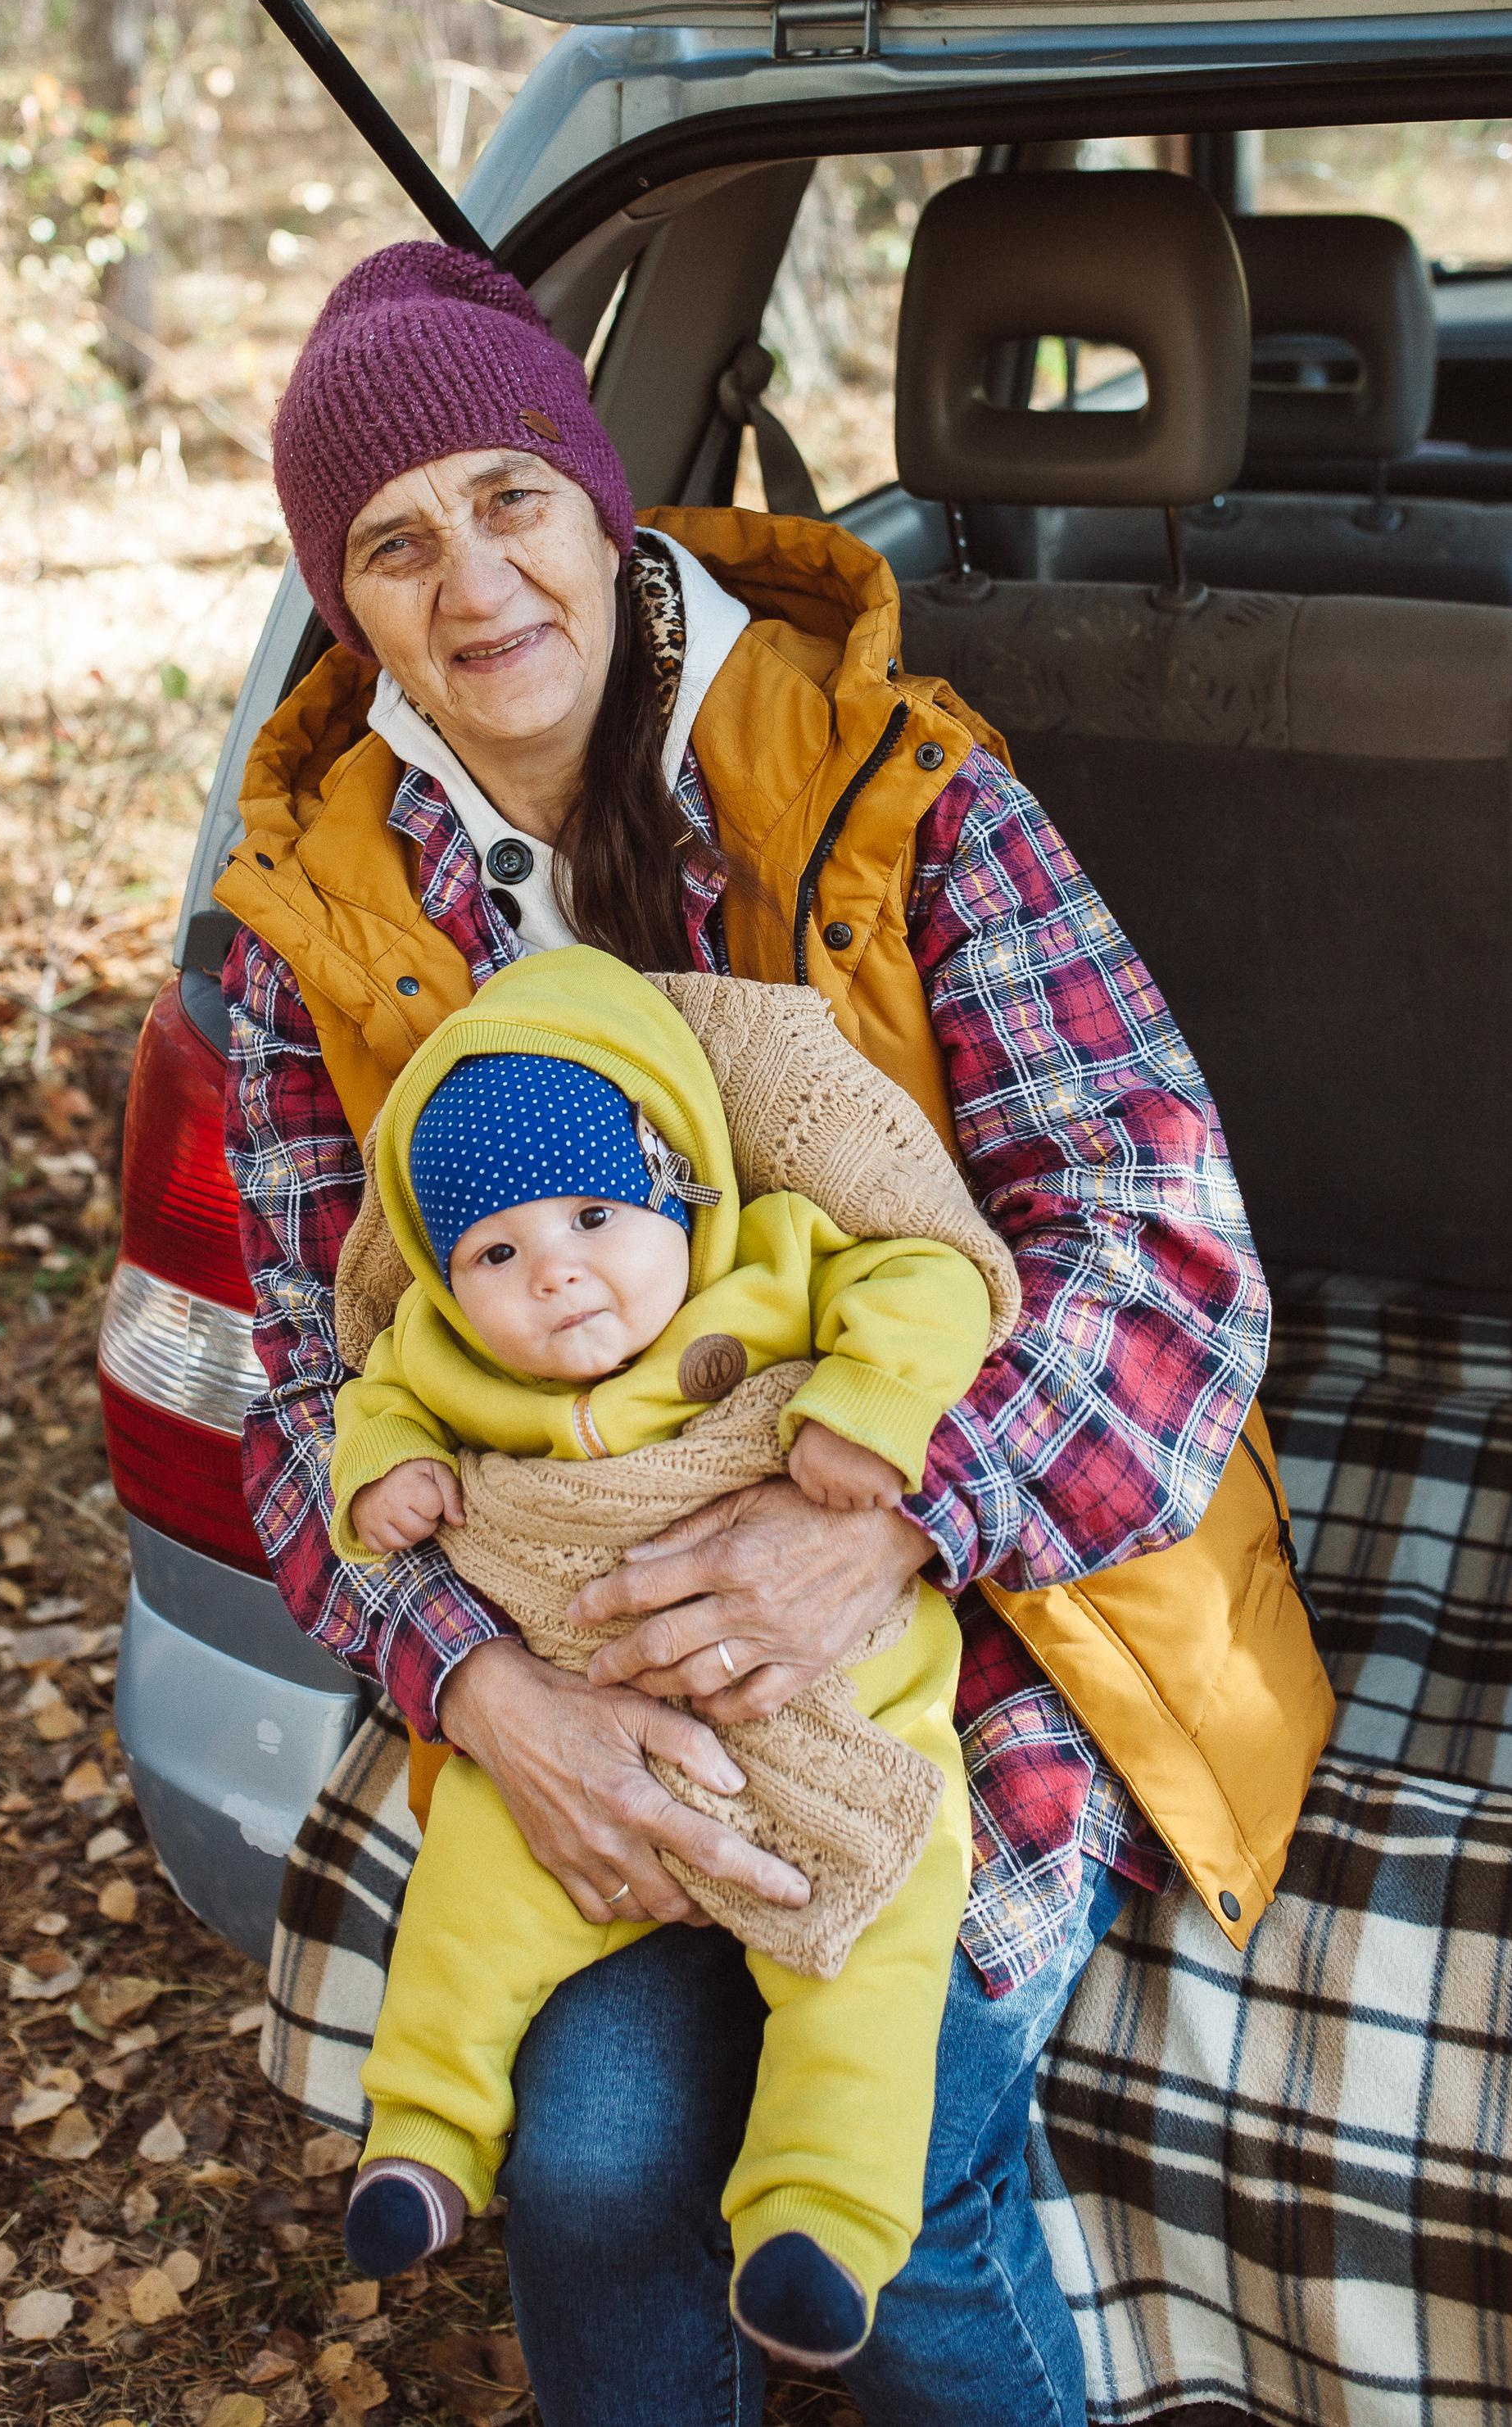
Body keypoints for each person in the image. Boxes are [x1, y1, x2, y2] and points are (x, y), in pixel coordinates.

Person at [216, 240, 1319, 2427]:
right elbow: (290, 1390)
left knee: (886, 2152)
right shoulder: (308, 917)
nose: (470, 583)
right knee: (604, 2157)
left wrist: (884, 1525)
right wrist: (485, 1683)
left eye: (507, 496)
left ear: (598, 494)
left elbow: (1156, 1237)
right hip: (575, 1617)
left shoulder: (889, 780)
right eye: (389, 543)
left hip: (974, 1600)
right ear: (342, 607)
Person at [328, 944, 998, 2368]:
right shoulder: (437, 1353)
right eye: (496, 1254)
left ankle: (822, 2214)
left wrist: (870, 1412)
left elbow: (930, 1278)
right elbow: (368, 1400)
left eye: (591, 1215)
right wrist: (379, 1474)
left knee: (878, 1930)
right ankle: (424, 2136)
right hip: (586, 1710)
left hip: (832, 1705)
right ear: (448, 1283)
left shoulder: (768, 1265)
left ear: (681, 1189)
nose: (555, 1274)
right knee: (472, 1888)